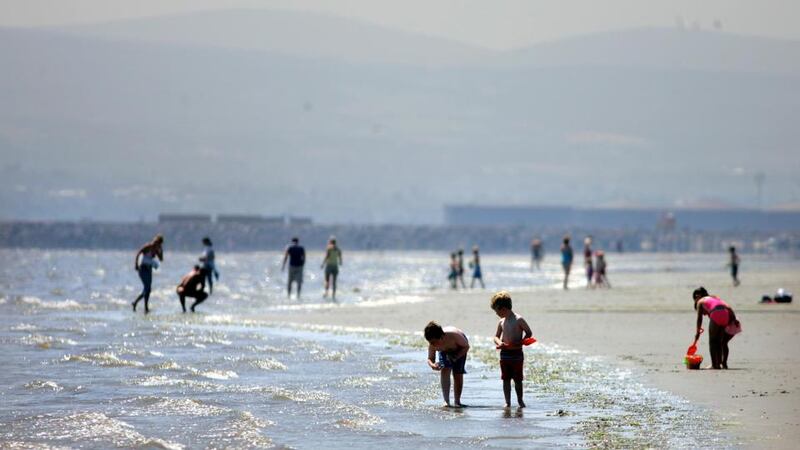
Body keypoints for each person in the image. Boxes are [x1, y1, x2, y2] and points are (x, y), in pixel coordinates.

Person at [491, 291, 532, 408]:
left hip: (517, 353)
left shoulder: (519, 319)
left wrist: (522, 341)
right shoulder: (501, 322)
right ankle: (507, 401)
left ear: (503, 308)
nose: (496, 314)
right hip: (504, 353)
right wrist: (500, 343)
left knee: (518, 379)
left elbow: (529, 332)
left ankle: (520, 400)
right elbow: (496, 336)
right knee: (506, 379)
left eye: (496, 311)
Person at [693, 287, 741, 369]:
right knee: (719, 341)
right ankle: (719, 363)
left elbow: (699, 319)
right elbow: (727, 306)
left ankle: (714, 364)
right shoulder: (714, 297)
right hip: (725, 314)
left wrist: (697, 332)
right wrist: (733, 318)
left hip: (716, 313)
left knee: (712, 341)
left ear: (697, 297)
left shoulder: (700, 302)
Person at [424, 321, 470, 408]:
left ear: (441, 337)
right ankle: (446, 401)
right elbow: (430, 358)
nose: (433, 345)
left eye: (434, 342)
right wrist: (433, 365)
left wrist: (456, 357)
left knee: (458, 373)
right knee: (445, 369)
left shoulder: (454, 335)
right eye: (430, 343)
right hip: (444, 351)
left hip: (460, 348)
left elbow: (466, 346)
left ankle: (457, 401)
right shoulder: (432, 343)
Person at [132, 234, 164, 314]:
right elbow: (138, 253)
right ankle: (136, 303)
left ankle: (144, 307)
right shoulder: (148, 246)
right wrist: (136, 264)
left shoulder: (157, 249)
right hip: (143, 268)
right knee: (147, 288)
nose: (155, 244)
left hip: (149, 269)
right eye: (155, 242)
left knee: (148, 289)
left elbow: (161, 259)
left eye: (158, 243)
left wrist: (160, 251)